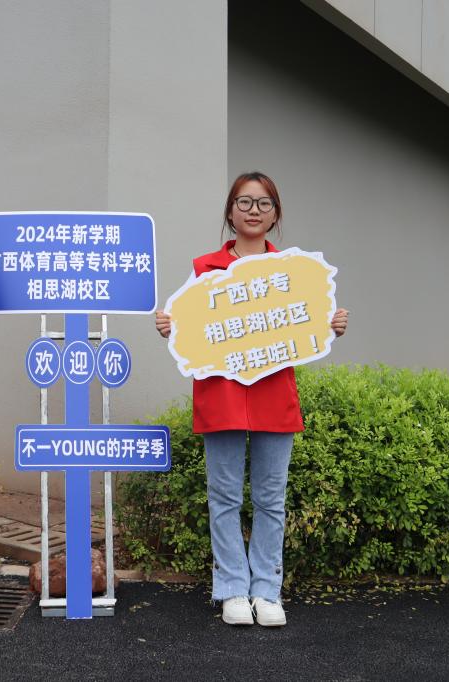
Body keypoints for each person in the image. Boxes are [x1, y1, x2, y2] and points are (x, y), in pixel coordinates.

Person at [155, 171, 348, 627]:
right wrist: (170, 326)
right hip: (220, 394)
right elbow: (186, 323)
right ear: (230, 211)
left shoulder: (294, 273)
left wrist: (330, 323)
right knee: (223, 497)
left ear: (276, 214)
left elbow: (309, 322)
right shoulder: (204, 270)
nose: (254, 210)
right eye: (244, 202)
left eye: (264, 203)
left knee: (270, 499)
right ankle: (231, 590)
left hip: (273, 393)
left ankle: (266, 589)